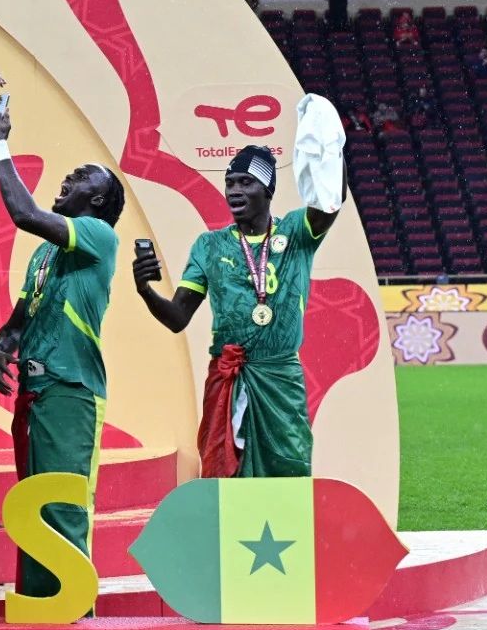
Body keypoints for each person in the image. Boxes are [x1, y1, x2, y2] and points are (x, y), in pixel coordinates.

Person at [0, 105, 125, 604]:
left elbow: (23, 214)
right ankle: (41, 610)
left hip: (71, 389)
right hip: (37, 390)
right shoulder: (47, 255)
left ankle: (72, 611)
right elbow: (23, 316)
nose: (70, 176)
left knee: (62, 503)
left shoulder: (98, 235)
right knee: (32, 506)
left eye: (82, 176)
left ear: (99, 198)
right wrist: (3, 343)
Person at [132, 146, 341, 477]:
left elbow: (330, 202)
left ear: (268, 190)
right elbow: (177, 318)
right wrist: (145, 290)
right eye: (230, 183)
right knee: (225, 472)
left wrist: (328, 143)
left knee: (288, 468)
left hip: (279, 379)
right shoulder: (210, 246)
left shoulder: (296, 232)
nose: (234, 191)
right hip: (227, 378)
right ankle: (230, 530)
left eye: (246, 182)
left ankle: (285, 528)